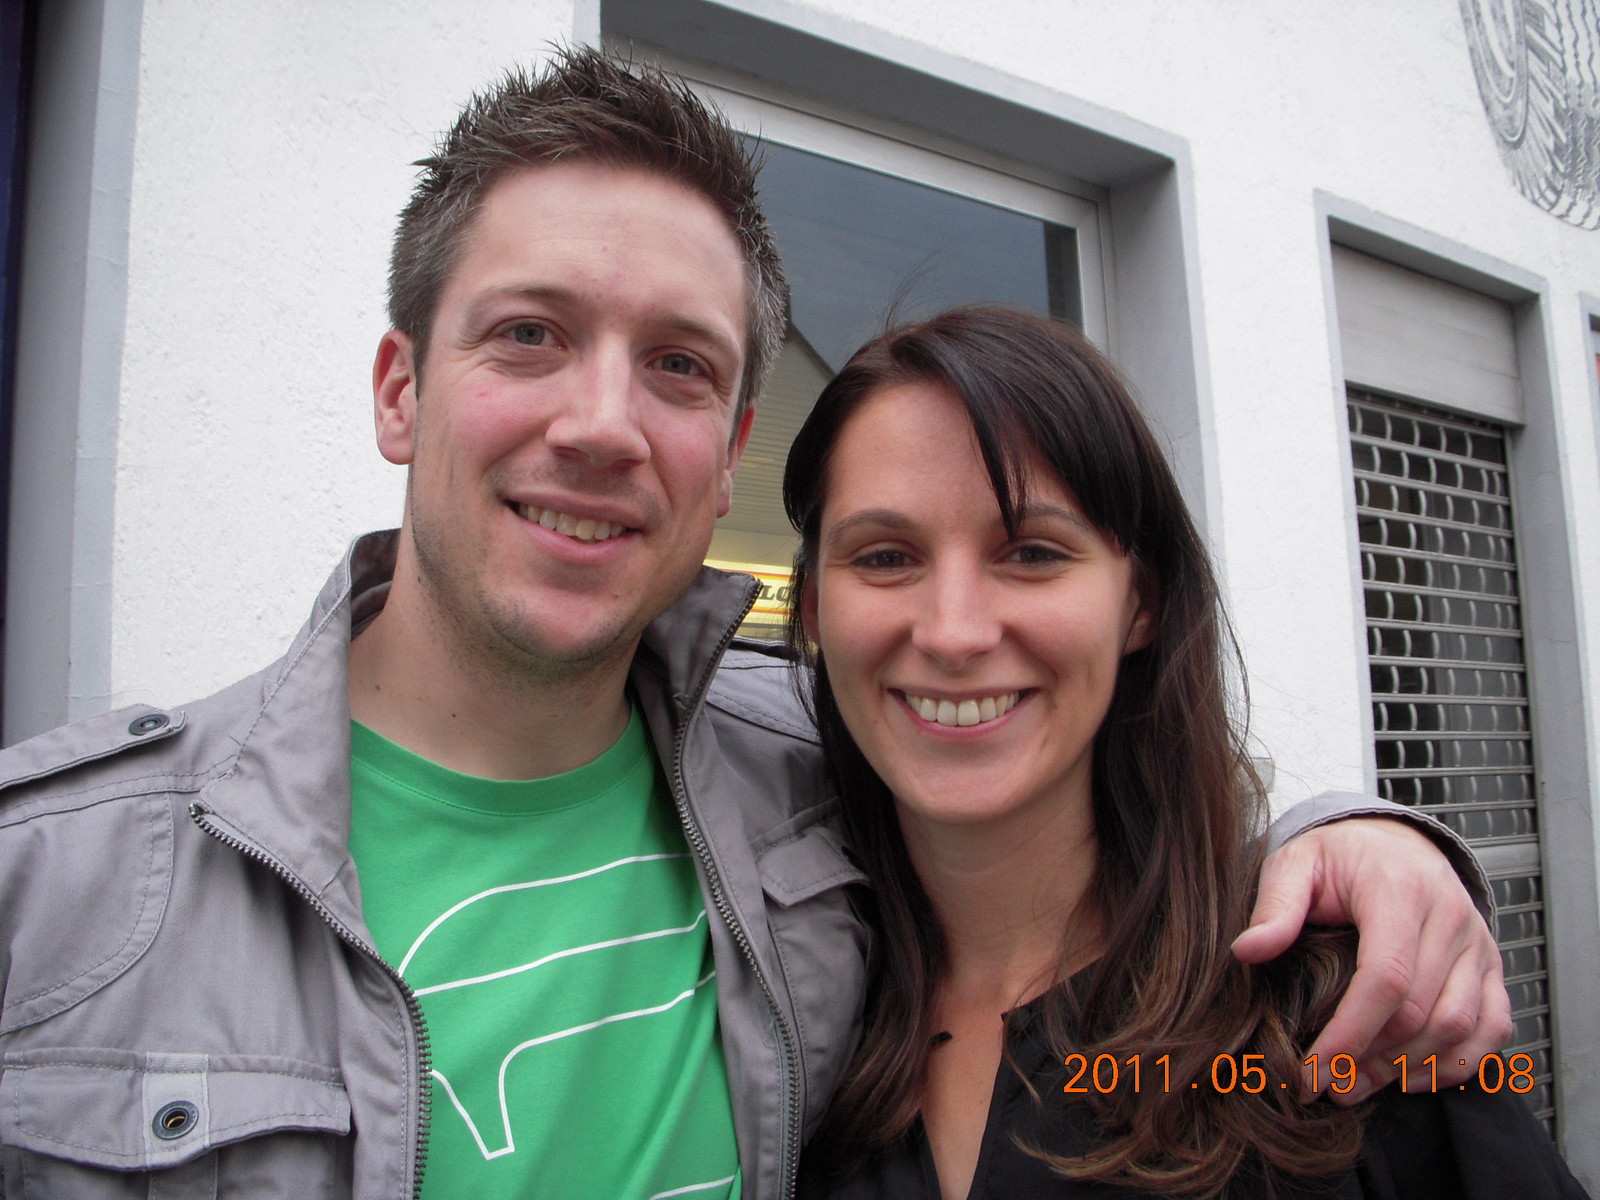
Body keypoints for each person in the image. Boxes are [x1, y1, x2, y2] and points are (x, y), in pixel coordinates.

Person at [0, 50, 1505, 1199]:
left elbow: (1086, 821)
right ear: (401, 390)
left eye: (677, 364)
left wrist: (1363, 841)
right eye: (529, 334)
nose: (602, 424)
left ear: (728, 455)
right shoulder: (49, 892)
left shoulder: (810, 787)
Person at [782, 306, 1585, 1199]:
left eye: (1033, 553)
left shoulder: (1352, 1020)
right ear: (814, 609)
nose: (954, 632)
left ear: (1142, 604)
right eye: (885, 558)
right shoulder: (772, 1026)